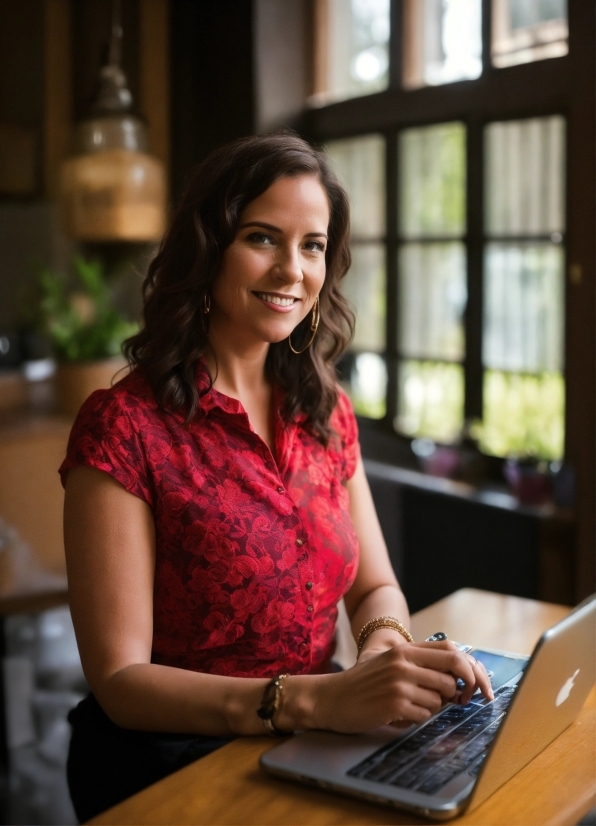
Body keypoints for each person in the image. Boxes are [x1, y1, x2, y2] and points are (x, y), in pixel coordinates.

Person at [60, 131, 492, 822]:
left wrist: (384, 648)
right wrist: (313, 699)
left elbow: (375, 585)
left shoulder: (325, 412)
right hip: (168, 765)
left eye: (313, 245)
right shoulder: (124, 428)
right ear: (208, 248)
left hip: (313, 743)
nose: (293, 269)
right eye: (263, 238)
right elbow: (120, 681)